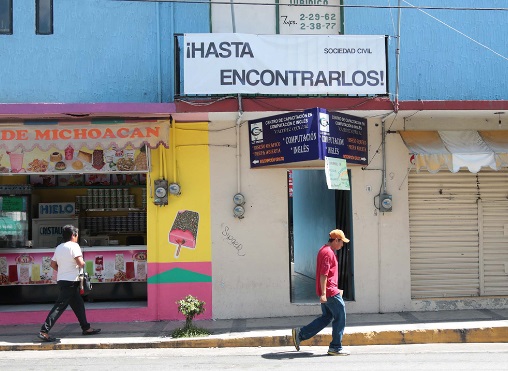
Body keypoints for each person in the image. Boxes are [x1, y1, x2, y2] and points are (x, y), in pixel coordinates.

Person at [38, 225, 101, 342]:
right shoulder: (74, 246)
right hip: (71, 281)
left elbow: (52, 264)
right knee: (59, 306)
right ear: (73, 235)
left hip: (62, 280)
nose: (77, 238)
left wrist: (63, 270)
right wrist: (81, 264)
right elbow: (80, 263)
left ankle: (86, 328)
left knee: (78, 305)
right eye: (76, 235)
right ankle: (44, 331)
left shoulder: (59, 247)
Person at [292, 229, 350, 356]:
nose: (342, 245)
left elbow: (327, 274)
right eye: (341, 242)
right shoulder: (328, 253)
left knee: (327, 317)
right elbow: (324, 274)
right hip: (330, 292)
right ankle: (335, 347)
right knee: (340, 317)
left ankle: (300, 334)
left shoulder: (325, 250)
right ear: (336, 240)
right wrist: (324, 293)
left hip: (330, 290)